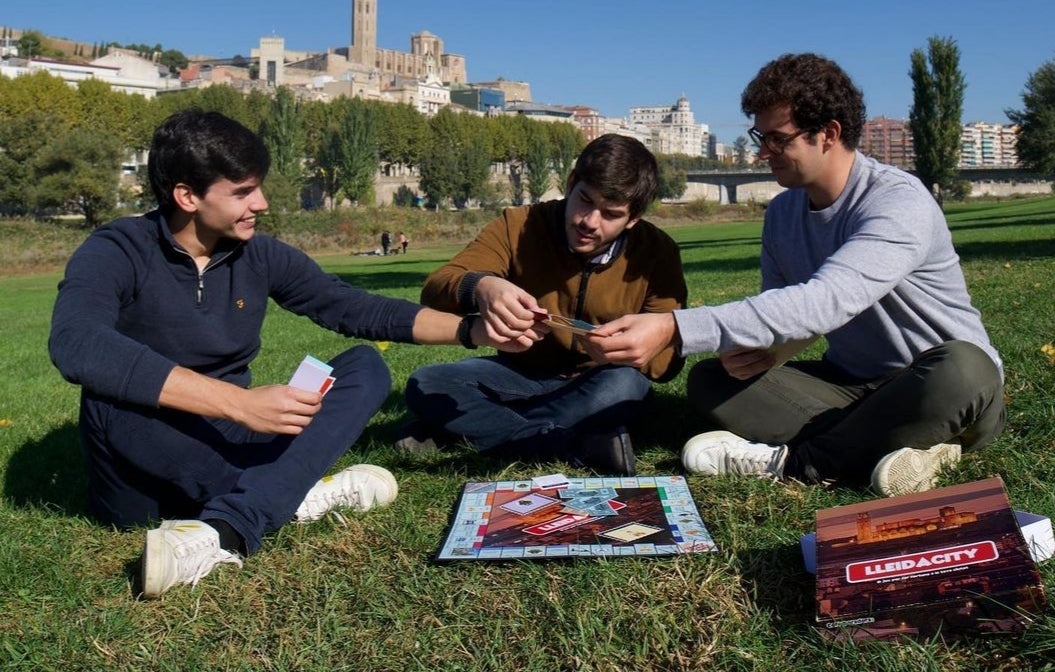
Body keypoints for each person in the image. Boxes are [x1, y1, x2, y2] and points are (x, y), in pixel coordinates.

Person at [49, 109, 526, 598]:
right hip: (149, 454)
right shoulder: (118, 249)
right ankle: (285, 499)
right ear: (187, 196)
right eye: (242, 192)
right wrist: (238, 403)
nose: (261, 203)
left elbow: (353, 308)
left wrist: (474, 331)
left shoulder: (257, 254)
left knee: (363, 366)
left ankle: (241, 514)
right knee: (111, 396)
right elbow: (76, 342)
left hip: (232, 434)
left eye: (258, 187)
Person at [583, 54, 1004, 496]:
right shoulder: (782, 214)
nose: (763, 152)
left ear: (829, 134)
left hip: (938, 383)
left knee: (964, 367)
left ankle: (796, 463)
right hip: (851, 385)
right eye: (760, 137)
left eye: (778, 139)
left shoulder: (897, 201)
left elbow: (825, 301)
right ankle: (901, 444)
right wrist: (769, 353)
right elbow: (784, 312)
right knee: (713, 380)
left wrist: (673, 327)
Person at [399, 134, 687, 475]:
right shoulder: (519, 225)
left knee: (626, 387)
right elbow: (436, 287)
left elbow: (668, 361)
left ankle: (462, 430)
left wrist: (633, 350)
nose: (589, 221)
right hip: (518, 372)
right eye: (584, 200)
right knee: (428, 382)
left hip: (599, 378)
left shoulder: (657, 251)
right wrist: (482, 287)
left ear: (633, 218)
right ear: (570, 183)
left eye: (611, 214)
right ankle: (563, 441)